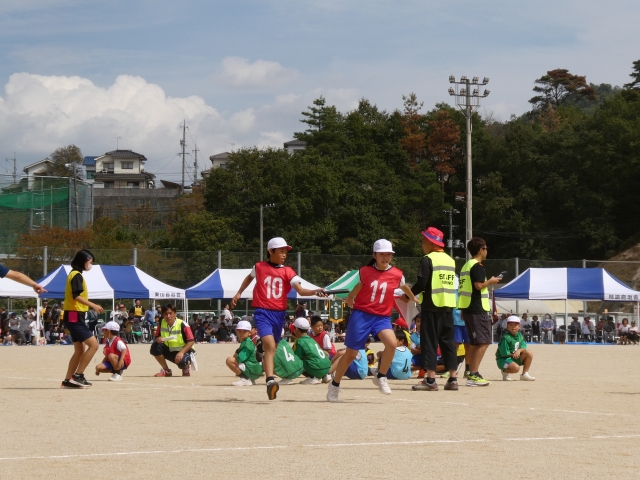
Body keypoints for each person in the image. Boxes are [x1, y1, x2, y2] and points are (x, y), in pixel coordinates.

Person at [232, 237, 326, 400]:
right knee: (270, 347)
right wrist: (239, 292)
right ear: (271, 251)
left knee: (272, 347)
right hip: (262, 312)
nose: (284, 255)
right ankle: (270, 381)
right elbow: (249, 277)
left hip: (279, 314)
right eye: (281, 251)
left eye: (285, 252)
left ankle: (260, 350)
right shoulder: (259, 267)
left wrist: (315, 291)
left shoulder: (288, 271)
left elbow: (301, 290)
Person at [327, 239, 418, 402]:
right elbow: (359, 286)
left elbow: (404, 287)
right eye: (382, 254)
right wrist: (350, 297)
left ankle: (381, 376)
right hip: (362, 315)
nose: (385, 258)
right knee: (351, 353)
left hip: (382, 317)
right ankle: (334, 384)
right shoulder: (365, 271)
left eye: (388, 254)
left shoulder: (397, 274)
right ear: (374, 255)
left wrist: (412, 298)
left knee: (391, 343)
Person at [410, 228, 459, 393]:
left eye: (424, 241)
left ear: (431, 242)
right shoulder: (450, 260)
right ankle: (453, 379)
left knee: (429, 342)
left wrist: (407, 294)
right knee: (448, 343)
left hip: (432, 306)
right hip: (448, 306)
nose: (422, 245)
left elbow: (422, 284)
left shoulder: (427, 259)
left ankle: (430, 379)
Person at [457, 237, 501, 387]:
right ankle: (473, 374)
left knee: (476, 342)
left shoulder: (466, 265)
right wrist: (491, 281)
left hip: (468, 307)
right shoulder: (477, 266)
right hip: (477, 308)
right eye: (486, 248)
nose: (487, 251)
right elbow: (478, 285)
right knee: (484, 340)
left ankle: (471, 372)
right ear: (481, 250)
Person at [61, 249, 104, 388]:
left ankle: (68, 380)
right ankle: (78, 375)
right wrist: (93, 305)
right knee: (94, 345)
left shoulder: (74, 274)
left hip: (73, 315)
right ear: (83, 261)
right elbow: (76, 296)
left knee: (80, 349)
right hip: (74, 315)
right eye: (89, 261)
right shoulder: (76, 275)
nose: (90, 264)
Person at [150, 303, 197, 377]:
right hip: (170, 350)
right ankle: (166, 370)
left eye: (170, 313)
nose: (168, 316)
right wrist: (158, 339)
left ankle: (186, 367)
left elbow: (191, 341)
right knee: (155, 347)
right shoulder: (161, 323)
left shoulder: (183, 324)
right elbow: (157, 336)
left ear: (175, 314)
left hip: (184, 351)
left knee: (182, 362)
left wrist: (181, 353)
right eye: (165, 314)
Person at [292, 317, 331, 384]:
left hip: (316, 369)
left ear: (297, 329)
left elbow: (296, 358)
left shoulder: (300, 341)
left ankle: (312, 377)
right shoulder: (311, 339)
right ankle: (325, 376)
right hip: (327, 368)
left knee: (298, 361)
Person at [496, 316, 535, 381]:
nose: (513, 327)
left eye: (516, 325)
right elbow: (504, 353)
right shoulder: (505, 338)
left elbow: (523, 347)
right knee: (516, 368)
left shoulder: (520, 335)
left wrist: (519, 351)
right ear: (507, 326)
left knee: (529, 353)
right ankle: (504, 371)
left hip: (514, 357)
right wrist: (515, 354)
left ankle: (524, 374)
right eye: (511, 325)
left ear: (519, 326)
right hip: (504, 360)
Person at [225, 320, 263, 386]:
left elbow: (241, 359)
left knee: (229, 360)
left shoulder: (247, 343)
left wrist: (236, 355)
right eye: (239, 331)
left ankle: (245, 379)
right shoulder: (247, 341)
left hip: (253, 371)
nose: (241, 333)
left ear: (249, 333)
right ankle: (250, 379)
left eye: (244, 331)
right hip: (255, 370)